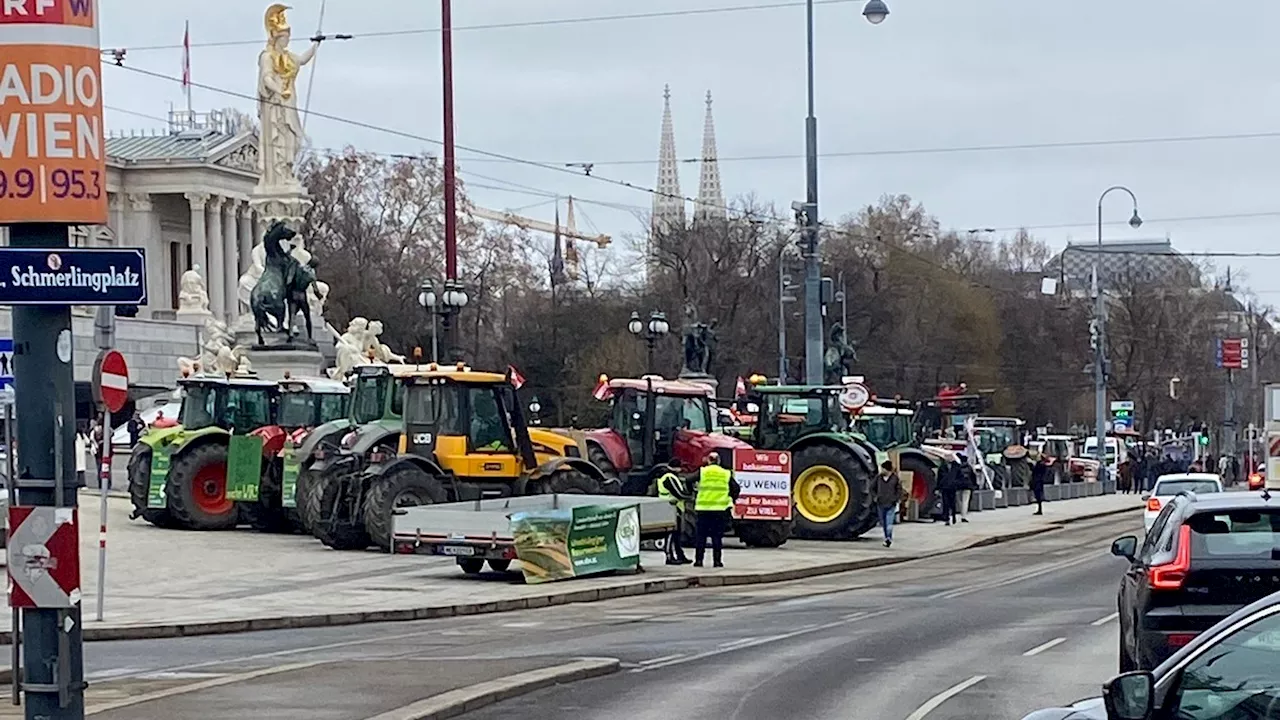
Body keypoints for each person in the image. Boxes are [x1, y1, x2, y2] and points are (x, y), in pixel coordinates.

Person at [692, 452, 740, 568]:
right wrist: (731, 498)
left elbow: (689, 480)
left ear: (708, 461)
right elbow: (736, 488)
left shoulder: (702, 472)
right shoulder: (725, 473)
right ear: (719, 461)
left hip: (703, 509)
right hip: (720, 510)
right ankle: (717, 562)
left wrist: (694, 493)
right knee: (717, 537)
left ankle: (699, 561)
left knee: (701, 537)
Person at [654, 458, 692, 565]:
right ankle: (669, 556)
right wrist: (689, 496)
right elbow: (678, 493)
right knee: (670, 534)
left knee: (676, 534)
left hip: (675, 509)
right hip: (670, 508)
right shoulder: (669, 477)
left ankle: (680, 555)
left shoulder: (670, 477)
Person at [875, 461, 907, 548]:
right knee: (883, 522)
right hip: (880, 503)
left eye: (882, 468)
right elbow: (872, 488)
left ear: (887, 469)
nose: (881, 470)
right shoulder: (878, 478)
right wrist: (875, 497)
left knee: (889, 523)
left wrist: (896, 499)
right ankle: (886, 537)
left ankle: (888, 538)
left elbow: (899, 490)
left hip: (891, 504)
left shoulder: (895, 479)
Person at [937, 457, 962, 526]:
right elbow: (939, 478)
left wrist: (956, 483)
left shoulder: (956, 467)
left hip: (952, 488)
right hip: (945, 487)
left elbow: (960, 477)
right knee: (946, 503)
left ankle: (953, 516)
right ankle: (947, 519)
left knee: (953, 503)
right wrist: (938, 487)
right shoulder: (942, 467)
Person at [955, 454, 976, 523]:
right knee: (965, 501)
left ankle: (961, 512)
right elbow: (973, 477)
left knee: (959, 501)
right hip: (968, 486)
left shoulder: (957, 467)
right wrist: (974, 485)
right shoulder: (969, 467)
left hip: (958, 486)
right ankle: (964, 515)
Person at [1030, 450, 1051, 515]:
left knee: (1038, 496)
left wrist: (1031, 465)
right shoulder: (1042, 464)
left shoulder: (1040, 464)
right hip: (1039, 481)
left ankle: (1039, 510)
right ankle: (1039, 509)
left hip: (1037, 481)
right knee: (1038, 496)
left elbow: (1035, 471)